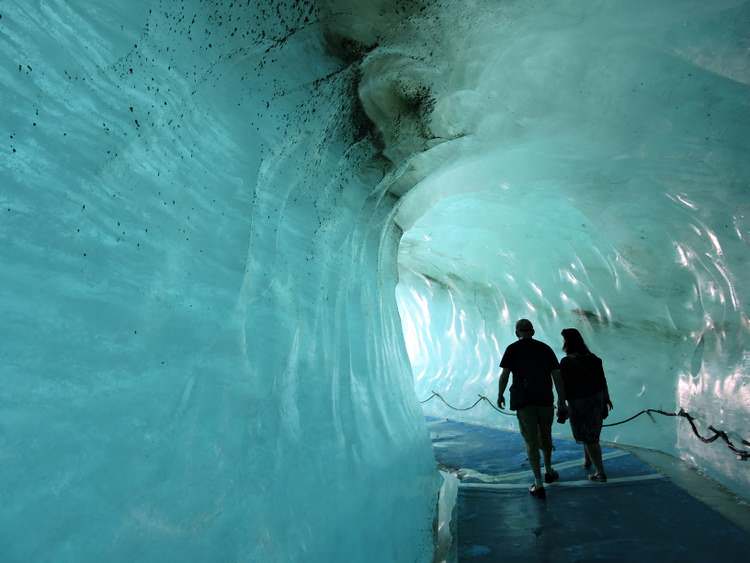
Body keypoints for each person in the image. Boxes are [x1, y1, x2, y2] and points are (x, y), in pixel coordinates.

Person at [497, 319, 566, 499]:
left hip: (524, 400)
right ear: (533, 331)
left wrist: (500, 394)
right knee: (546, 435)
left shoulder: (512, 349)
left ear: (516, 332)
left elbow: (505, 374)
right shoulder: (545, 349)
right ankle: (549, 470)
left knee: (531, 440)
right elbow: (557, 375)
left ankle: (538, 482)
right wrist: (562, 400)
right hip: (544, 399)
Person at [559, 328, 613, 482]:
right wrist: (606, 399)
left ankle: (600, 472)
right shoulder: (594, 359)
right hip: (597, 399)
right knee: (591, 433)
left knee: (589, 437)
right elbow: (602, 381)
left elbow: (563, 386)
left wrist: (562, 403)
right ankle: (588, 460)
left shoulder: (566, 362)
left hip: (579, 402)